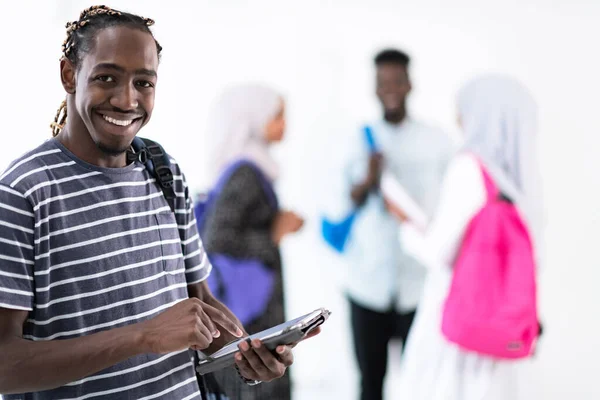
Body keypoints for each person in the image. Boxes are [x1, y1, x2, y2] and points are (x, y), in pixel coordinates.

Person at [0, 6, 316, 400]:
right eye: (106, 78)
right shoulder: (22, 194)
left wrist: (246, 353)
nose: (126, 100)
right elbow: (4, 364)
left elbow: (200, 302)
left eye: (144, 83)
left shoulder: (162, 170)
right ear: (69, 74)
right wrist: (143, 335)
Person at [390, 75, 544, 400]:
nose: (458, 118)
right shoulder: (524, 185)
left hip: (458, 325)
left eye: (463, 109)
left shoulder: (470, 168)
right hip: (502, 332)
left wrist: (406, 225)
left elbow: (438, 252)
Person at [342, 48, 455, 400]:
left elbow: (450, 204)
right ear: (374, 88)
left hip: (418, 287)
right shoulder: (357, 139)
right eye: (382, 82)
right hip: (367, 285)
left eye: (396, 81)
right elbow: (344, 202)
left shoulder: (436, 140)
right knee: (369, 385)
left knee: (422, 385)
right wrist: (369, 178)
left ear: (409, 84)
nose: (389, 88)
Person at [199, 84, 304, 400]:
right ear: (254, 118)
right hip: (252, 313)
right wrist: (274, 233)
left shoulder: (252, 167)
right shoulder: (246, 171)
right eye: (278, 115)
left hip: (252, 305)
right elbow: (218, 237)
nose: (285, 124)